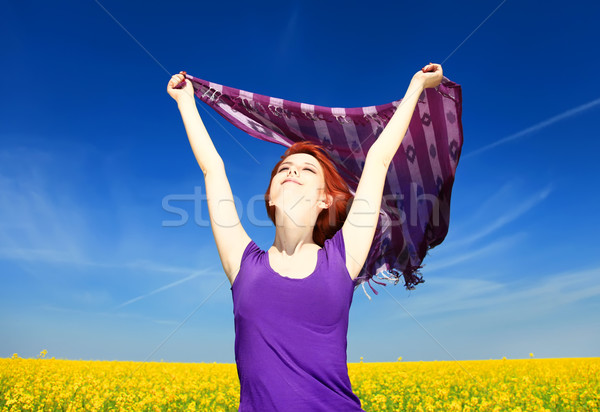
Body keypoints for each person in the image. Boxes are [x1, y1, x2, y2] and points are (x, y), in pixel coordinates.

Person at [167, 63, 443, 411]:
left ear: (325, 199)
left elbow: (379, 160)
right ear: (269, 195)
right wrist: (186, 103)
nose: (292, 170)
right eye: (284, 169)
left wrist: (417, 87)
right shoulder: (243, 264)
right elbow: (213, 169)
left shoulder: (342, 258)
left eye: (306, 169)